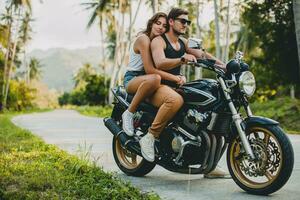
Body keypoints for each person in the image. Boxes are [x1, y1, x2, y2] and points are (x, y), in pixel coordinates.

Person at [149, 7, 230, 178]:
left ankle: (209, 164)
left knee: (210, 110)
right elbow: (159, 62)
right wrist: (181, 59)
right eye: (182, 21)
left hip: (176, 86)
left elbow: (202, 54)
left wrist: (225, 66)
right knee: (175, 100)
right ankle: (150, 137)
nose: (186, 24)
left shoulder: (184, 42)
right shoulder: (159, 41)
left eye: (188, 22)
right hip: (157, 87)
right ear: (171, 22)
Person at [122, 10, 185, 165]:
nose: (160, 28)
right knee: (155, 78)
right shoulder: (144, 39)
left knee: (175, 97)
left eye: (164, 26)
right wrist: (176, 78)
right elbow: (151, 70)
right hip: (133, 78)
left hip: (149, 81)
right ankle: (129, 113)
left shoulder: (158, 42)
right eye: (158, 23)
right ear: (151, 23)